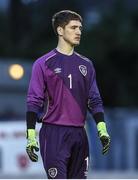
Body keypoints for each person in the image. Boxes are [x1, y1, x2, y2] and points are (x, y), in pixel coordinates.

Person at [26, 10, 110, 179]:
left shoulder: (86, 64)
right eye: (73, 27)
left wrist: (102, 128)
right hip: (54, 134)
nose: (79, 32)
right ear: (60, 30)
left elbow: (94, 99)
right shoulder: (43, 63)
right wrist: (30, 135)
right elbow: (34, 100)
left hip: (80, 134)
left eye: (80, 28)